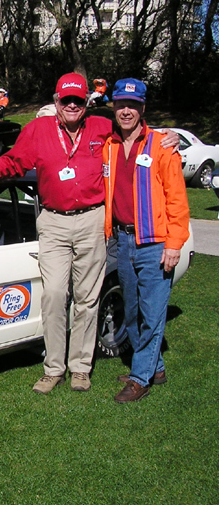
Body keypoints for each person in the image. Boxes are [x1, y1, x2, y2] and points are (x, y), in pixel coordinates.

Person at [0, 73, 110, 394]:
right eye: (66, 100)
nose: (72, 105)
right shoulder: (38, 130)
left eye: (78, 100)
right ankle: (54, 367)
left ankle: (81, 367)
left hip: (92, 220)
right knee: (55, 294)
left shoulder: (101, 127)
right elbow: (15, 162)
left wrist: (162, 137)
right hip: (54, 221)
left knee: (87, 298)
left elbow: (133, 135)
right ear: (56, 102)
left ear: (86, 102)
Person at [102, 78, 190, 403]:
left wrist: (174, 243)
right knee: (133, 310)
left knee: (153, 313)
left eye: (133, 105)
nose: (126, 111)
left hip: (155, 243)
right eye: (121, 105)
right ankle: (157, 367)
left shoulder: (161, 145)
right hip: (123, 242)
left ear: (142, 108)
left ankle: (140, 378)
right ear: (114, 107)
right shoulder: (109, 145)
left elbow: (177, 200)